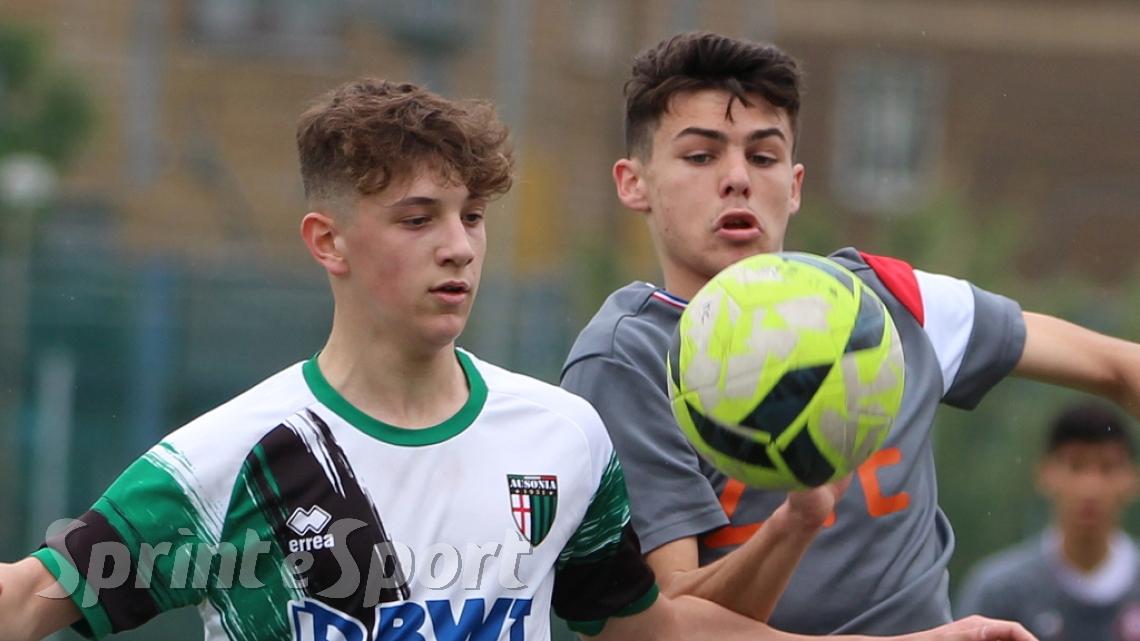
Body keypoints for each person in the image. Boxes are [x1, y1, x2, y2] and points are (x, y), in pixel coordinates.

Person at [0, 79, 1035, 641]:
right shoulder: (236, 459)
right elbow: (29, 601)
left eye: (473, 216)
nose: (458, 246)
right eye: (418, 218)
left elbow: (653, 633)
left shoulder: (559, 437)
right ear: (328, 242)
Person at [560, 30, 1140, 636]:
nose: (737, 178)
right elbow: (669, 626)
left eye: (763, 157)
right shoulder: (627, 359)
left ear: (795, 185)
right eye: (701, 156)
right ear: (633, 183)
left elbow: (1117, 367)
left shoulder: (885, 301)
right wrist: (797, 522)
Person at [956, 401, 1140, 640]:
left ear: (1132, 479)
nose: (1090, 487)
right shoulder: (1001, 592)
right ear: (1045, 473)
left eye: (1107, 468)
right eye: (1075, 466)